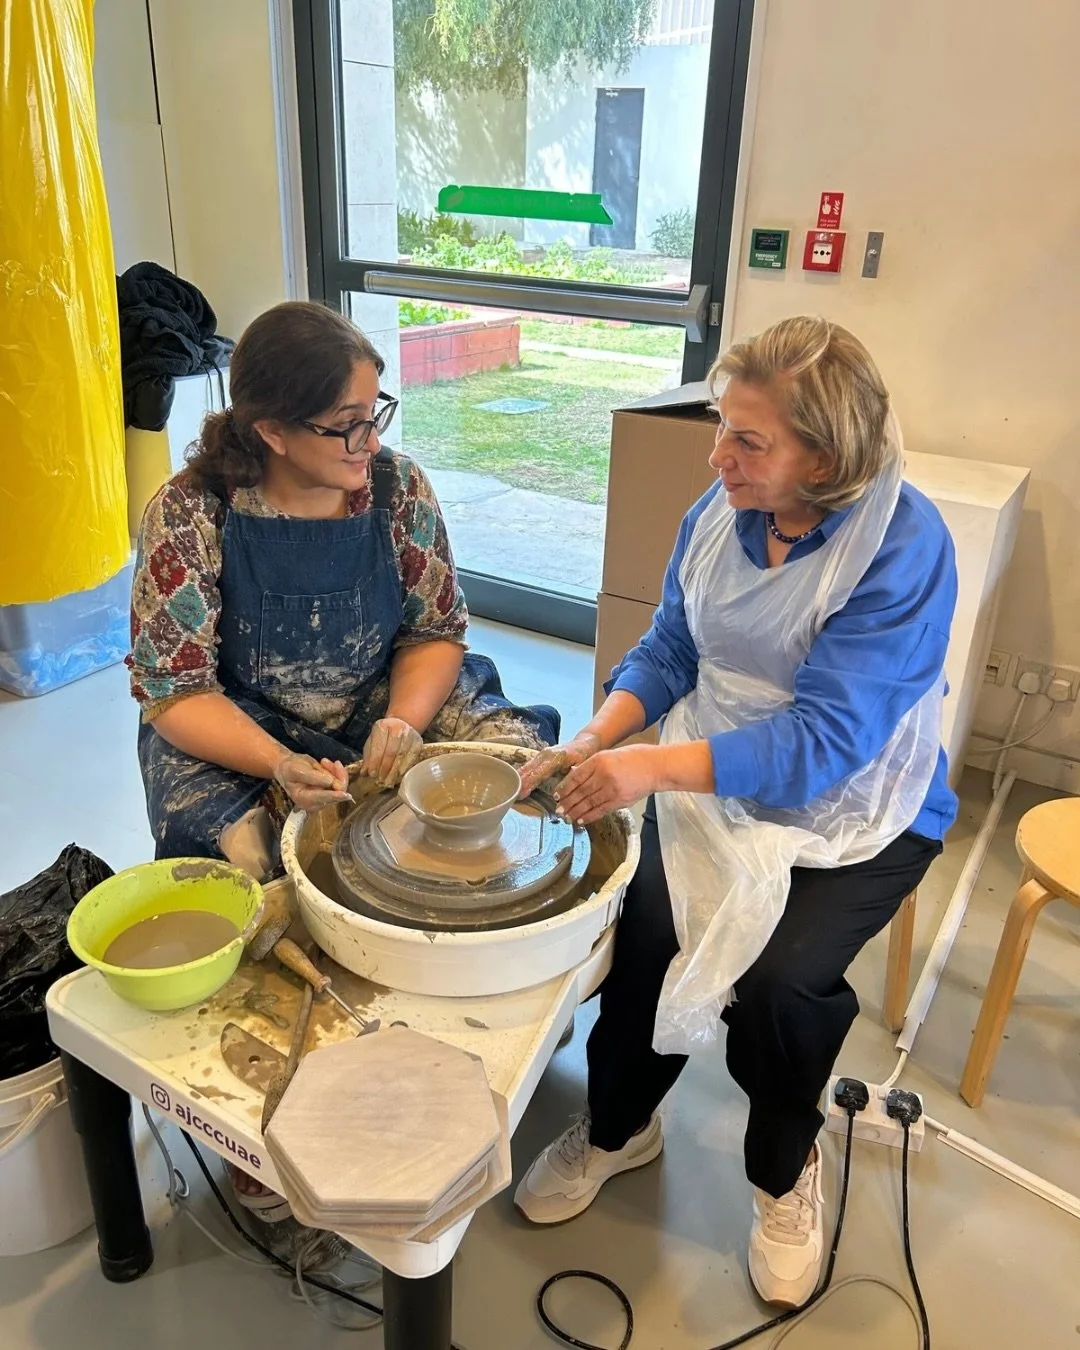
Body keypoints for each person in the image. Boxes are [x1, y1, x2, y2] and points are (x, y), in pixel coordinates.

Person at [514, 316, 957, 1309]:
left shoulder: (902, 549)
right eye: (722, 426)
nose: (718, 455)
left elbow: (824, 744)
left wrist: (650, 771)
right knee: (646, 927)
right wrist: (595, 741)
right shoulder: (723, 506)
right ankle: (621, 1127)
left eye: (749, 440)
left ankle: (781, 1170)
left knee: (780, 986)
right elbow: (672, 646)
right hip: (714, 769)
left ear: (827, 459)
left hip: (857, 808)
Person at [128, 300, 559, 886]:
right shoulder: (190, 514)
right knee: (247, 859)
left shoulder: (398, 488)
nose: (372, 443)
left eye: (373, 414)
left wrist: (405, 720)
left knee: (521, 760)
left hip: (383, 692)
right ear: (273, 431)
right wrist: (278, 763)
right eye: (348, 423)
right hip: (243, 722)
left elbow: (433, 631)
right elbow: (176, 691)